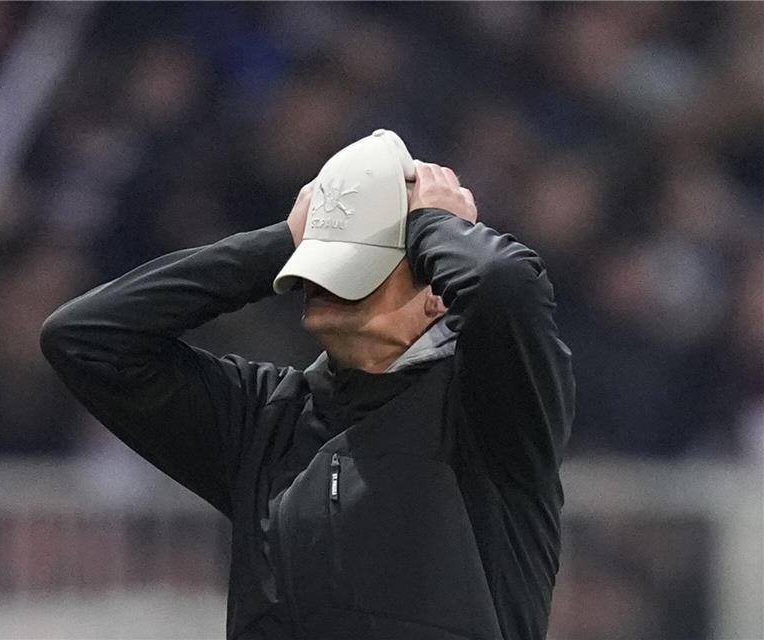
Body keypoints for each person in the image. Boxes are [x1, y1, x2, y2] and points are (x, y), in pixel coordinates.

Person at [41, 130, 575, 640]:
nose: (320, 278)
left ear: (437, 290)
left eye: (363, 258)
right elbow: (84, 339)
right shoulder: (263, 419)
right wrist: (285, 241)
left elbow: (505, 284)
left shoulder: (490, 412)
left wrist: (432, 221)